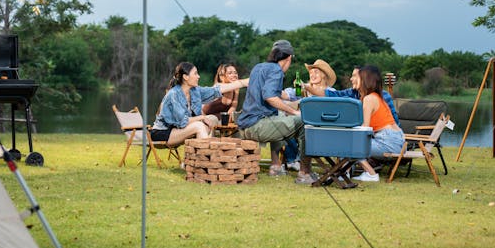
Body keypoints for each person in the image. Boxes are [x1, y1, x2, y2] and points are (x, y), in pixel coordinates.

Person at [237, 40, 316, 184]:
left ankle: (276, 166)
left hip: (244, 126)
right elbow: (270, 97)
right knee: (305, 122)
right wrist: (293, 112)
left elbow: (274, 93)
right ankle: (305, 173)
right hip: (257, 127)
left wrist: (292, 96)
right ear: (289, 57)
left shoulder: (259, 67)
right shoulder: (277, 70)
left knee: (277, 115)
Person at [151, 62, 248, 146]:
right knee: (199, 125)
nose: (199, 76)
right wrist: (202, 117)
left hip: (178, 130)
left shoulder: (195, 91)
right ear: (186, 77)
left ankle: (196, 160)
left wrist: (246, 82)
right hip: (163, 132)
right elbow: (182, 122)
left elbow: (216, 90)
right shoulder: (174, 94)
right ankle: (207, 158)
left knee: (210, 122)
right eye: (195, 73)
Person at [352, 65, 405, 182]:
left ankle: (371, 174)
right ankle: (350, 172)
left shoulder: (369, 99)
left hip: (388, 142)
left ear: (365, 80)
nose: (353, 79)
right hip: (398, 140)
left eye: (357, 77)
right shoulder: (377, 96)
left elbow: (364, 129)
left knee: (350, 145)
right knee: (351, 142)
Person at [306, 65, 400, 127]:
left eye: (354, 76)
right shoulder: (352, 93)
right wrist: (305, 86)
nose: (351, 79)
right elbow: (329, 94)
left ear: (363, 78)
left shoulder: (382, 96)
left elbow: (393, 123)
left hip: (382, 136)